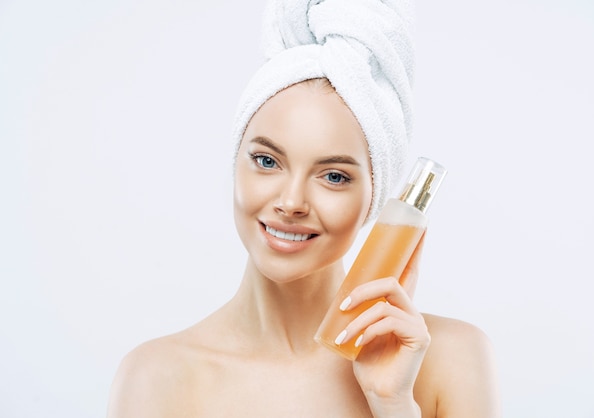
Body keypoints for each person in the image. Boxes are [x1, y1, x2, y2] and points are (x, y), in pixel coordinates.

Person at [107, 1, 501, 417]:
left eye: (333, 176)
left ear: (375, 195)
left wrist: (393, 404)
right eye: (266, 161)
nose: (290, 203)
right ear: (235, 160)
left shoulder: (450, 360)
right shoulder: (156, 378)